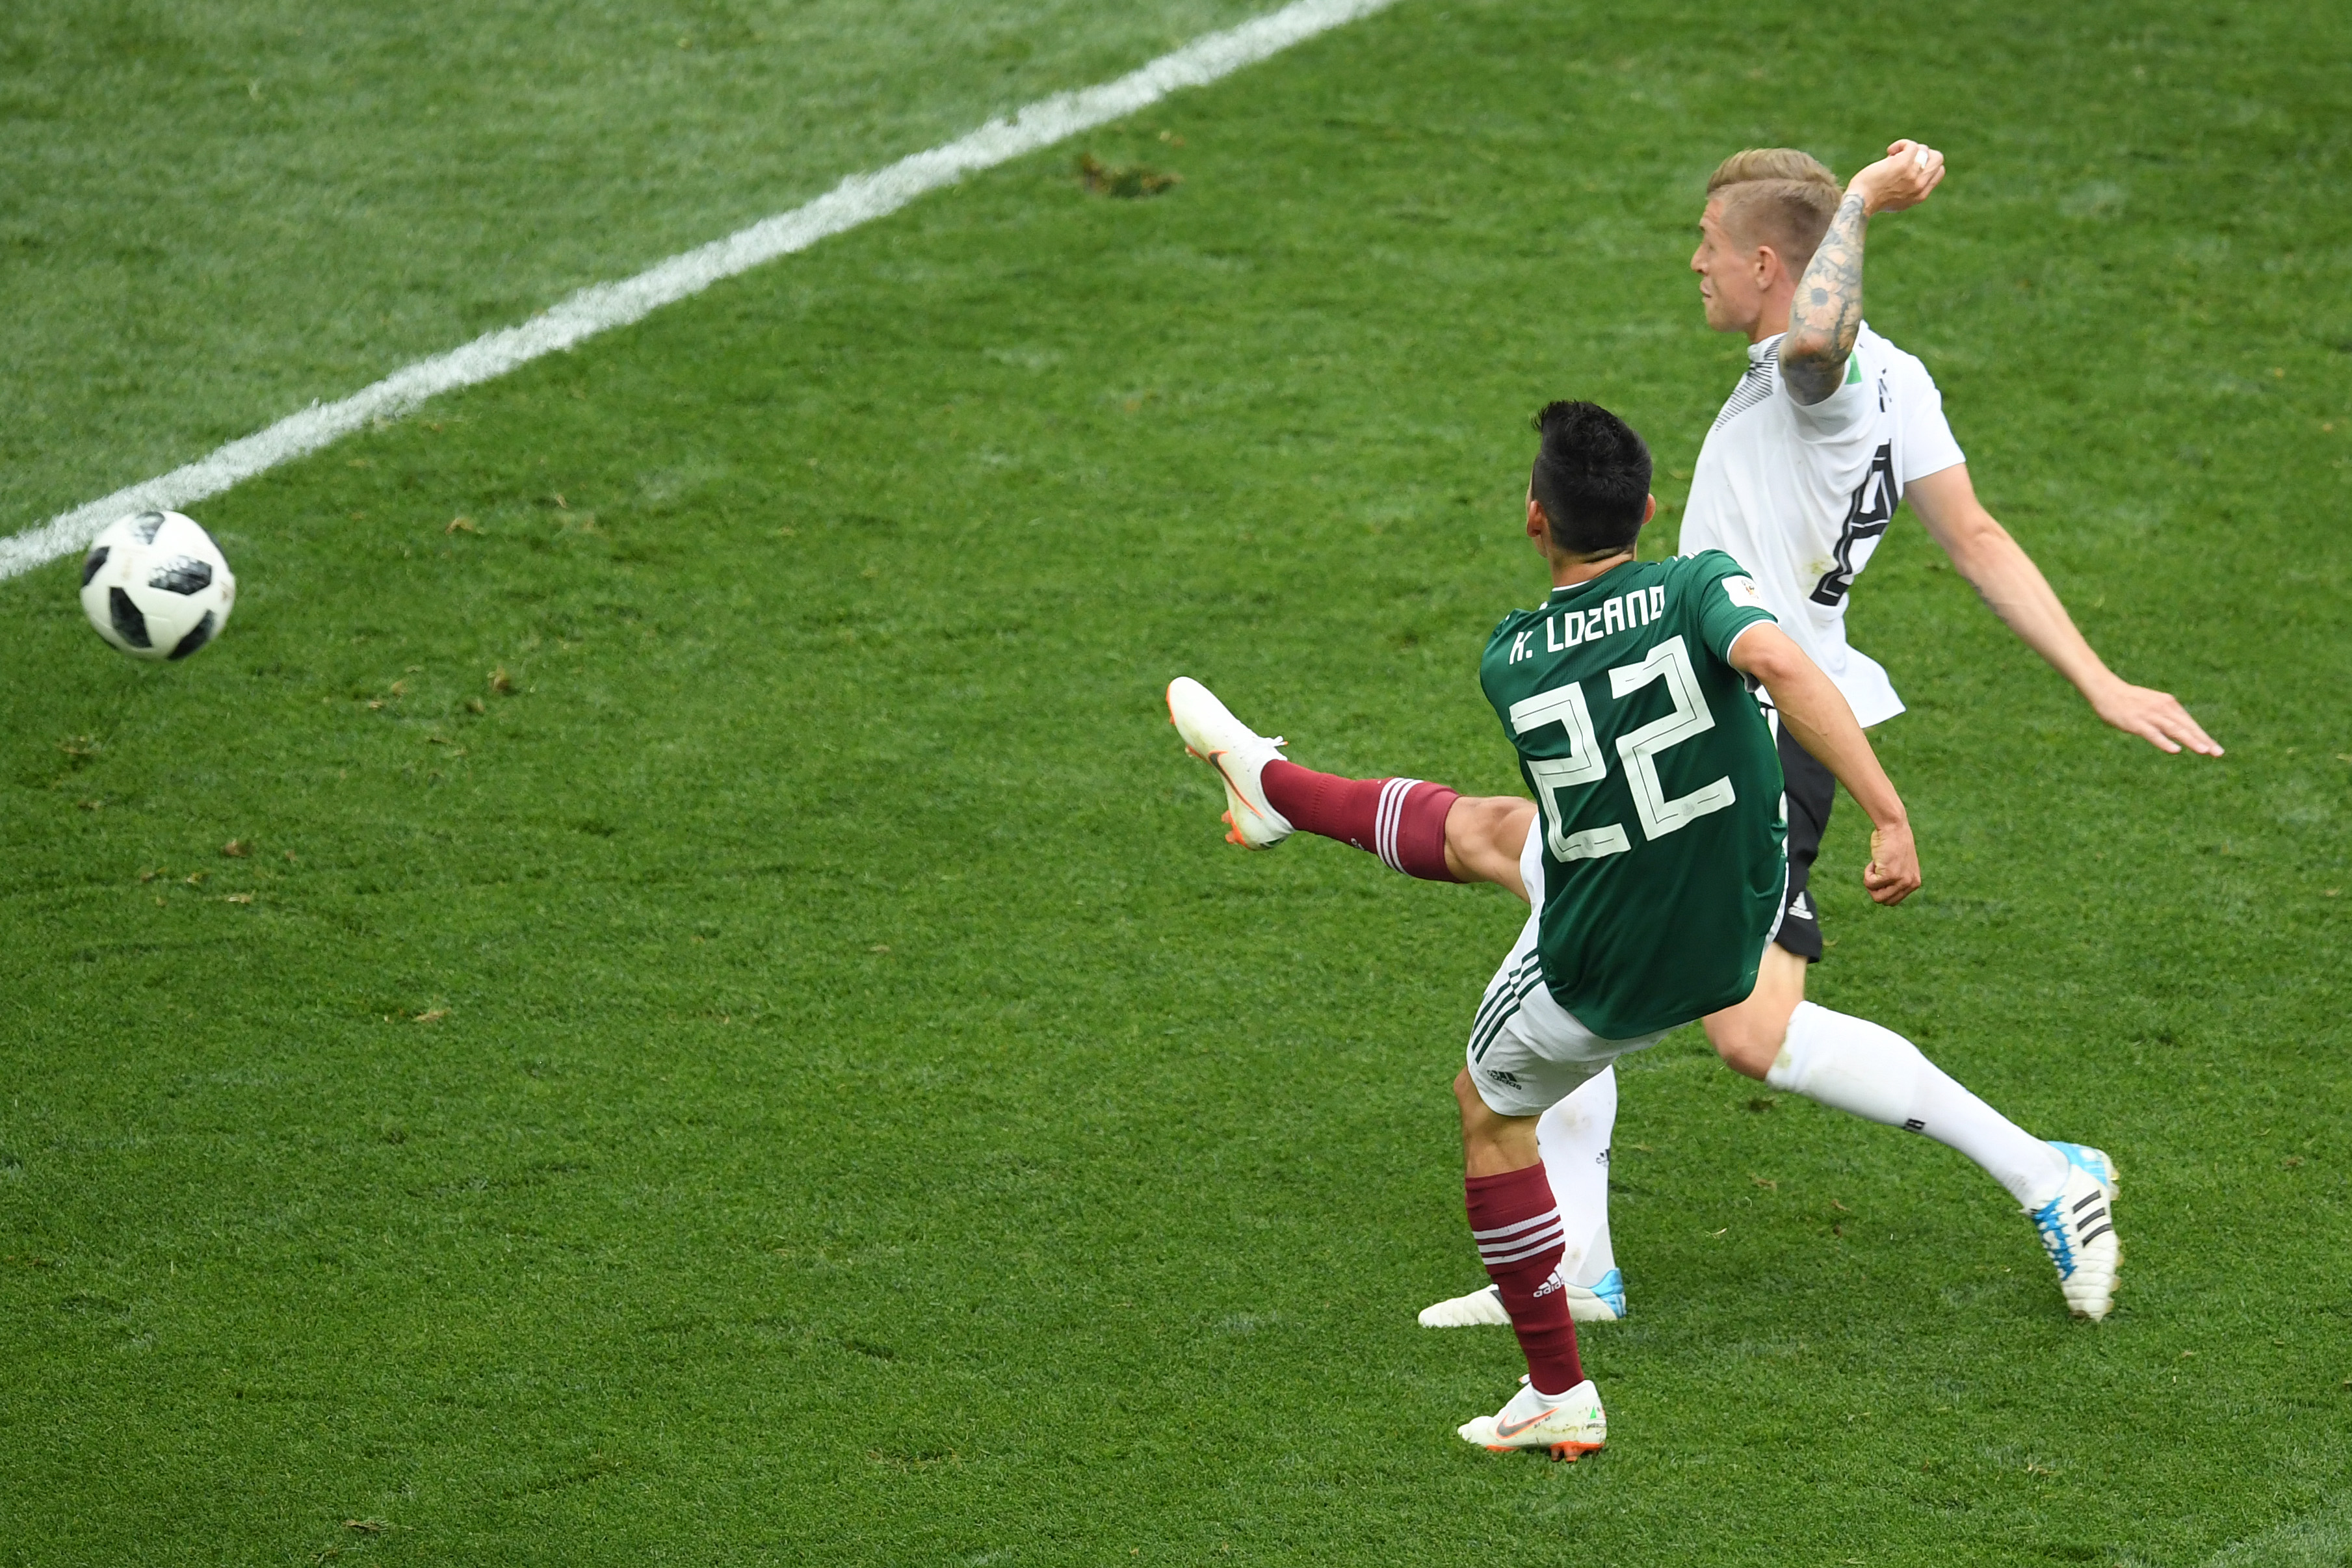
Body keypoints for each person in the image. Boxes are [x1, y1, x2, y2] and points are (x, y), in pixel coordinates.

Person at [1166, 400, 2119, 1459]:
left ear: (1533, 517)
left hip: (1612, 965)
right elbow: (1783, 668)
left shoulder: (1510, 658)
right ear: (1651, 509)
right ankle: (1274, 790)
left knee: (1488, 1107)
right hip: (1733, 906)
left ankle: (1556, 1391)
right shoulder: (1700, 582)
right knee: (1497, 834)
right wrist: (1888, 816)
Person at [1412, 139, 2211, 1331]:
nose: (1694, 262)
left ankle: (2047, 1173)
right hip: (1707, 708)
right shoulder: (1903, 377)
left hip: (1764, 724)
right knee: (1560, 911)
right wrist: (2096, 679)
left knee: (1746, 1028)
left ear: (1767, 265)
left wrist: (1863, 201)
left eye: (1710, 245)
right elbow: (1975, 536)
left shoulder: (1818, 377)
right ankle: (1579, 1266)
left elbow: (1818, 343)